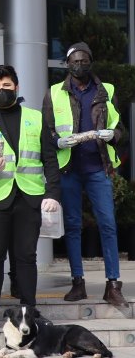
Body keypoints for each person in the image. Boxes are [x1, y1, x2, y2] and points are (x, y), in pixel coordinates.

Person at [0, 65, 61, 331]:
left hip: (29, 196)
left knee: (25, 256)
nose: (2, 91)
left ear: (17, 87)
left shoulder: (35, 117)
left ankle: (29, 309)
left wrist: (53, 193)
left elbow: (49, 159)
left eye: (6, 86)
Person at [42, 42, 127, 306]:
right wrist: (58, 142)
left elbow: (122, 130)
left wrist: (114, 135)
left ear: (91, 62)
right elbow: (46, 133)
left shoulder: (107, 91)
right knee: (74, 226)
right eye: (74, 62)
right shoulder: (54, 93)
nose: (79, 65)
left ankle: (113, 285)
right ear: (67, 64)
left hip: (97, 167)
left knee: (108, 225)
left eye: (84, 61)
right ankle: (77, 282)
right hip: (68, 169)